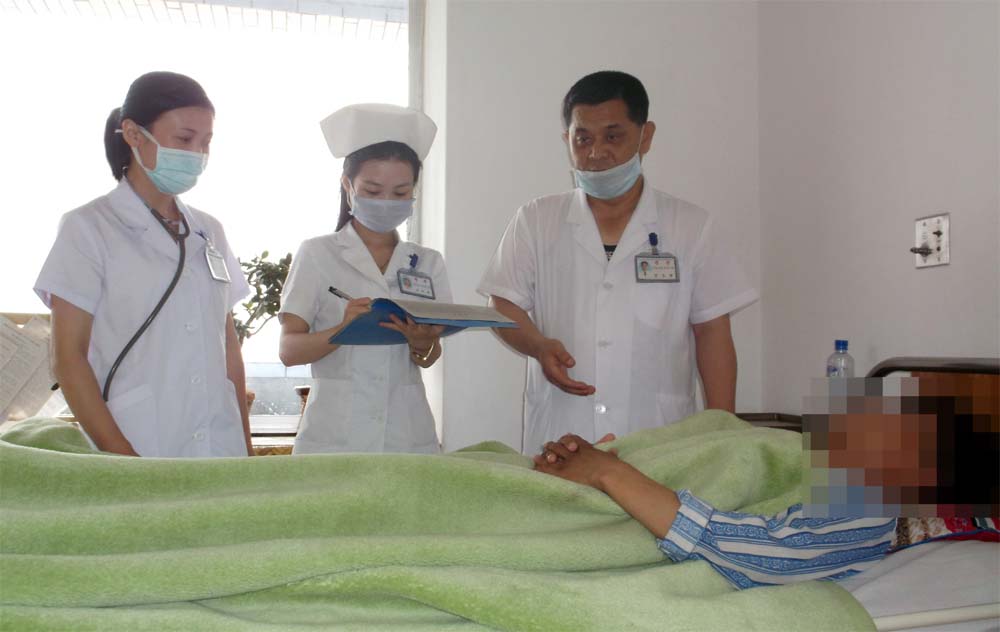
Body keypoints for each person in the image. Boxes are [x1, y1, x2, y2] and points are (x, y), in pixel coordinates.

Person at [479, 71, 758, 452]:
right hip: (561, 433)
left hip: (660, 436)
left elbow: (712, 332)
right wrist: (539, 346)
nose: (596, 153)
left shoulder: (690, 226)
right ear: (567, 140)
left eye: (613, 136)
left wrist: (724, 436)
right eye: (583, 139)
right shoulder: (536, 219)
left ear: (646, 136)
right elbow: (501, 302)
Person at [34, 71, 253, 457]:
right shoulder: (88, 227)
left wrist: (246, 449)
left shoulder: (209, 231)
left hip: (220, 445)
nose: (197, 154)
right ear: (134, 134)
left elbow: (228, 348)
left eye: (206, 142)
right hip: (138, 440)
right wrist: (122, 456)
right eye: (184, 139)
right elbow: (68, 358)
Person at [278, 104, 451, 454]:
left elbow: (430, 355)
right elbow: (289, 351)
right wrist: (343, 330)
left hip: (406, 436)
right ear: (348, 185)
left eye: (400, 193)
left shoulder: (427, 262)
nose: (386, 202)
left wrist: (421, 342)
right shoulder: (317, 254)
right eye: (372, 191)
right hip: (334, 438)